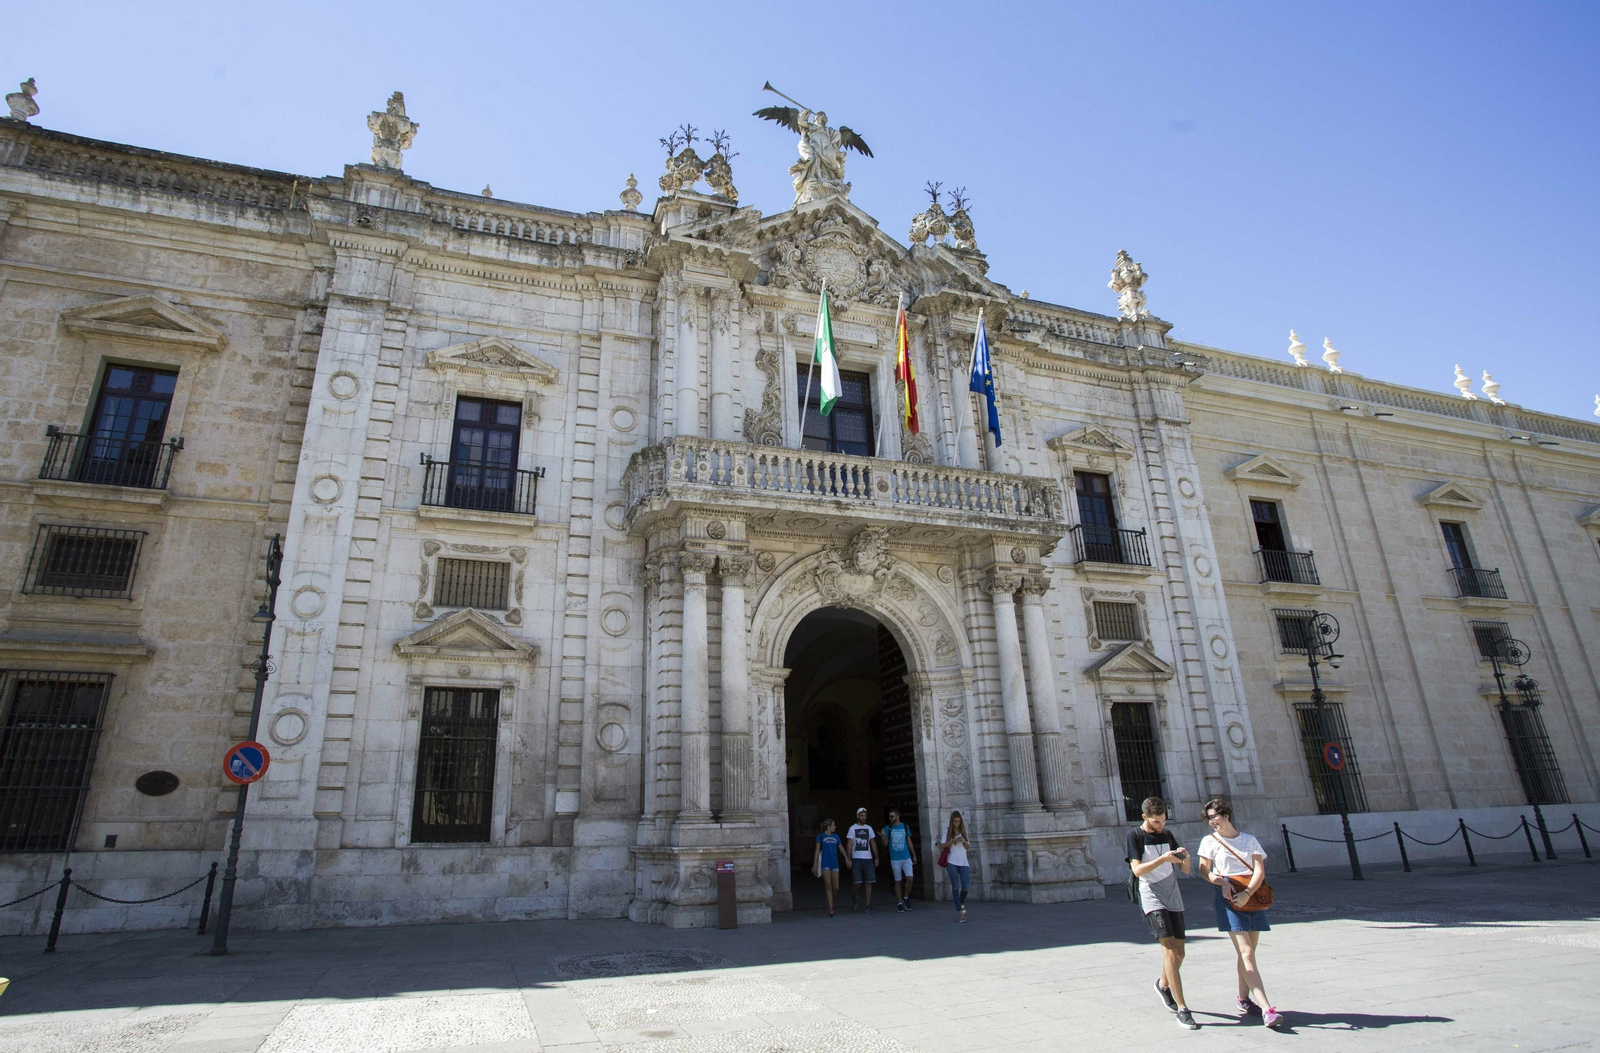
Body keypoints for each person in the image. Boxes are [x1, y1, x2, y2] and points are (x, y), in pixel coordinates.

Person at [1197, 797, 1282, 1028]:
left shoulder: (1249, 840)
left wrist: (1248, 893)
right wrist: (1221, 882)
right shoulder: (1209, 841)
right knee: (1246, 952)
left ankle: (1243, 999)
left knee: (1248, 952)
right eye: (1208, 818)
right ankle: (1267, 1008)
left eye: (1214, 816)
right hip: (1227, 899)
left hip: (1253, 897)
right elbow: (1204, 871)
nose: (1211, 821)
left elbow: (1259, 870)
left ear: (1225, 815)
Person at [1126, 796, 1198, 1030]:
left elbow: (1186, 870)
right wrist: (1163, 858)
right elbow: (1137, 870)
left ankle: (1163, 985)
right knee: (1169, 951)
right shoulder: (1135, 836)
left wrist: (1184, 859)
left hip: (1172, 894)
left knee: (1180, 954)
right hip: (1151, 895)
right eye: (1156, 822)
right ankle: (1184, 1009)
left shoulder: (1167, 835)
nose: (1161, 825)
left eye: (1164, 820)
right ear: (1145, 817)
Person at [880, 809, 918, 912]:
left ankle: (905, 897)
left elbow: (909, 841)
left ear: (897, 816)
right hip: (895, 858)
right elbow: (886, 844)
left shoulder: (905, 826)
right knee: (898, 881)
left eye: (892, 816)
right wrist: (883, 837)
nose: (890, 818)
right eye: (889, 817)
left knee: (910, 878)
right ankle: (899, 902)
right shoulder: (889, 828)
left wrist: (913, 855)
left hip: (906, 857)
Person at [936, 810, 971, 922]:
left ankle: (960, 902)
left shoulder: (964, 831)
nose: (957, 823)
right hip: (952, 862)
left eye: (958, 821)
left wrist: (964, 841)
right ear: (952, 821)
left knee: (965, 887)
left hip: (963, 862)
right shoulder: (947, 831)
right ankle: (961, 911)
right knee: (955, 886)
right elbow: (942, 845)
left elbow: (967, 847)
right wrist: (952, 841)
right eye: (955, 821)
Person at [844, 807, 879, 913]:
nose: (864, 817)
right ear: (857, 816)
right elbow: (849, 844)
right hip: (856, 859)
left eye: (865, 815)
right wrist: (848, 859)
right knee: (857, 883)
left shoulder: (869, 828)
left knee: (869, 882)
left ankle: (868, 905)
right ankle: (855, 897)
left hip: (868, 858)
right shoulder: (852, 829)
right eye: (862, 815)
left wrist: (876, 857)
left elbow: (873, 843)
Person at [813, 818, 842, 917]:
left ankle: (830, 899)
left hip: (834, 863)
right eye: (833, 825)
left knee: (836, 887)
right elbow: (817, 850)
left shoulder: (836, 836)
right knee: (828, 885)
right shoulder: (820, 836)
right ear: (829, 826)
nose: (835, 827)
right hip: (825, 863)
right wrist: (815, 864)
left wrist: (847, 858)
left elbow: (841, 848)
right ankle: (831, 908)